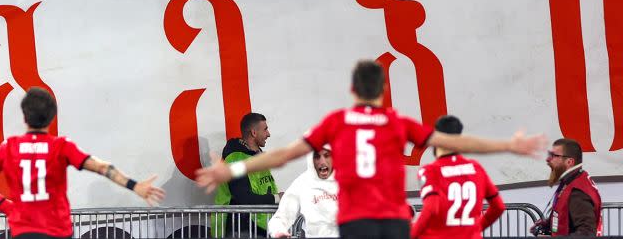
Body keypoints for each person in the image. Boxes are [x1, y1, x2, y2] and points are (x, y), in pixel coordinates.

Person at [195, 60, 546, 239]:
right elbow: (452, 143)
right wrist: (508, 145)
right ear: (381, 90)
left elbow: (285, 154)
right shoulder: (397, 122)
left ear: (353, 89)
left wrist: (230, 171)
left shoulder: (337, 122)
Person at [0, 87, 166, 238]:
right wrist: (134, 185)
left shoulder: (9, 148)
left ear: (24, 116)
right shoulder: (62, 146)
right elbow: (102, 167)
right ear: (52, 117)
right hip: (58, 230)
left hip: (24, 231)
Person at [411, 115, 505, 239]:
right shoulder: (476, 168)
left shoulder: (430, 170)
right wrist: (475, 231)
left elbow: (431, 207)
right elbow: (498, 207)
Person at [212, 112, 277, 237]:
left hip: (257, 226)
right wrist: (277, 198)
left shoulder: (256, 155)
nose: (268, 134)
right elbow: (243, 198)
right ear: (253, 132)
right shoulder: (236, 158)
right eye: (265, 129)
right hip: (240, 227)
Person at [532, 138, 603, 236]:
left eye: (554, 156)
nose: (548, 159)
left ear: (569, 162)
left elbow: (586, 234)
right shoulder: (572, 180)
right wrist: (548, 224)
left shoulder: (577, 191)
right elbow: (568, 217)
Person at [268, 148, 338, 238]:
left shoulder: (348, 178)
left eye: (327, 155)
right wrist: (279, 232)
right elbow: (281, 217)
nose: (322, 161)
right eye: (317, 157)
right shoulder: (302, 183)